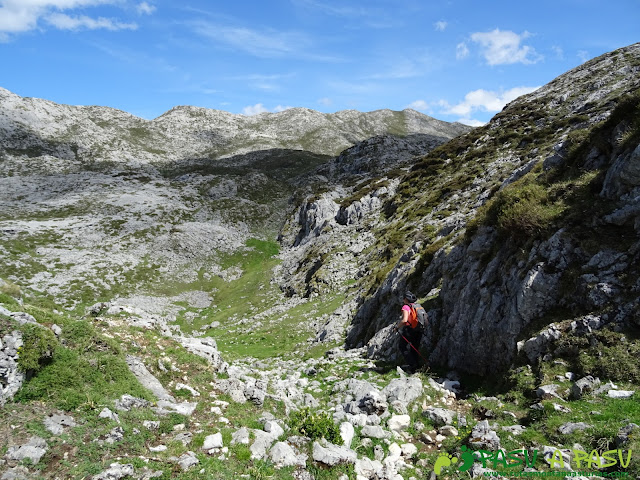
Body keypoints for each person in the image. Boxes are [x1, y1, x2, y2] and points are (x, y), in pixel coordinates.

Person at [397, 290, 424, 371]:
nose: (403, 299)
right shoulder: (417, 306)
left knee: (402, 346)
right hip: (419, 329)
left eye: (404, 298)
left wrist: (397, 327)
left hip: (409, 330)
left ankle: (412, 364)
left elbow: (405, 320)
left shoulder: (406, 307)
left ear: (406, 299)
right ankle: (416, 366)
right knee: (414, 347)